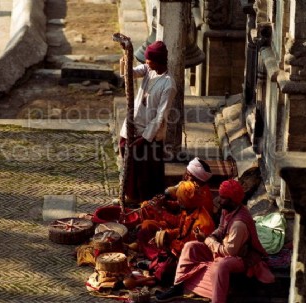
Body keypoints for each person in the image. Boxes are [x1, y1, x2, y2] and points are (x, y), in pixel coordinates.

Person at [155, 179, 274, 303]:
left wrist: (207, 240)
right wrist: (210, 237)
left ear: (232, 200)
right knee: (190, 246)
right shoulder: (227, 209)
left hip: (240, 257)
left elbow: (229, 252)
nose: (219, 200)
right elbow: (221, 229)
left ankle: (218, 299)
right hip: (219, 248)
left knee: (221, 266)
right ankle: (178, 287)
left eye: (223, 198)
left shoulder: (239, 225)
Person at [119, 41, 177, 203]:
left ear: (158, 61)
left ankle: (146, 201)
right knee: (128, 160)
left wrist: (144, 139)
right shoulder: (147, 70)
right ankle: (130, 196)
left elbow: (161, 116)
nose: (146, 63)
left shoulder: (168, 84)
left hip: (149, 134)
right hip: (133, 124)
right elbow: (127, 74)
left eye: (149, 60)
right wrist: (126, 56)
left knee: (146, 170)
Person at [136, 180, 215, 286]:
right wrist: (167, 234)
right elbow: (180, 227)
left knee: (165, 270)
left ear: (186, 200)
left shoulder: (201, 223)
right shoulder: (190, 209)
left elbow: (189, 249)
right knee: (144, 232)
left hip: (190, 256)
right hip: (179, 246)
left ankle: (156, 265)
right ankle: (156, 263)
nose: (178, 201)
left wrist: (168, 242)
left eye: (180, 199)